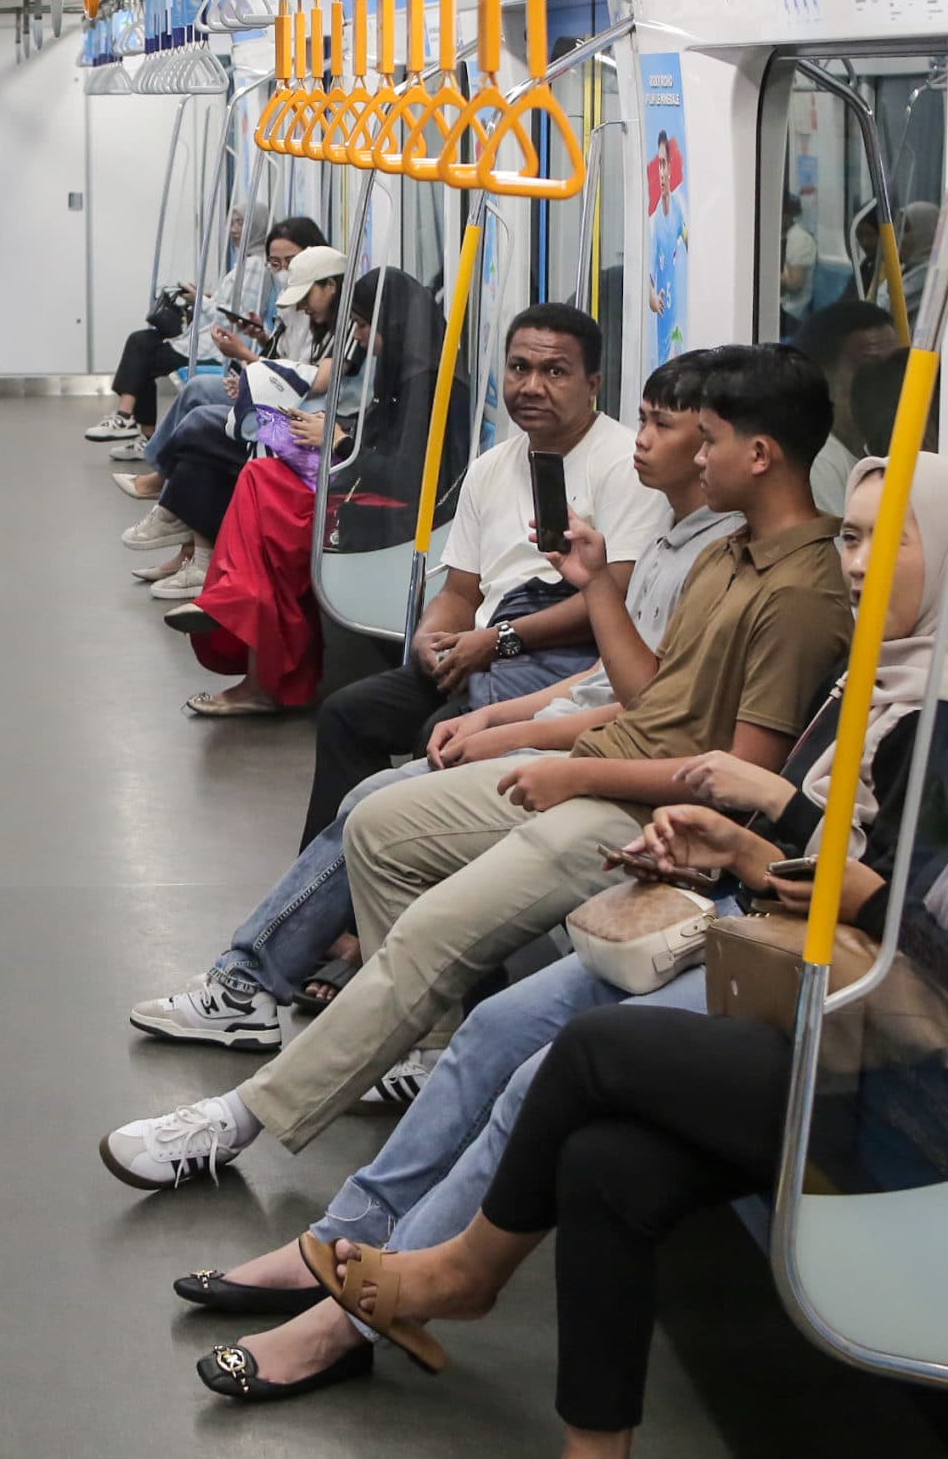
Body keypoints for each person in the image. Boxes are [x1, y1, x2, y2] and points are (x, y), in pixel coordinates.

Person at [270, 524, 948, 1459]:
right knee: (606, 1160)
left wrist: (879, 900)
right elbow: (880, 905)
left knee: (590, 1051)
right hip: (879, 1056)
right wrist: (752, 855)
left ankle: (462, 1271)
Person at [184, 450, 948, 1398]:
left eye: (887, 540)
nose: (857, 563)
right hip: (752, 908)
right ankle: (344, 1240)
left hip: (822, 964)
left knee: (549, 1071)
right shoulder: (864, 667)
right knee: (497, 1025)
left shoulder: (942, 710)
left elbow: (894, 898)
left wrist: (752, 832)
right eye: (853, 536)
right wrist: (720, 842)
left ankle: (358, 1311)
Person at [103, 343, 852, 1187]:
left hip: (641, 817)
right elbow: (652, 699)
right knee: (379, 825)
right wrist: (597, 589)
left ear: (760, 454)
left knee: (432, 931)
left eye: (707, 438)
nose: (697, 455)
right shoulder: (726, 553)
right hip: (608, 766)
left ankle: (245, 1118)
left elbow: (730, 787)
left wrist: (571, 771)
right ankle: (414, 1050)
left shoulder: (800, 594)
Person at [129, 348, 737, 1049]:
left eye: (666, 427)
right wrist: (447, 648)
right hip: (536, 678)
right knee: (356, 718)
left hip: (568, 704)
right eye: (518, 368)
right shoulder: (657, 530)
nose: (642, 440)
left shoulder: (698, 549)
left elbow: (648, 708)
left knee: (381, 798)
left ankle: (328, 994)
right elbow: (485, 605)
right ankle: (319, 978)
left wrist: (503, 707)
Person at [295, 303, 671, 844]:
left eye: (554, 372)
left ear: (592, 383)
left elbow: (616, 593)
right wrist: (429, 639)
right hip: (485, 641)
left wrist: (500, 642)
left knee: (437, 737)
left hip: (562, 657)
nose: (532, 386)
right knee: (348, 713)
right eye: (519, 369)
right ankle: (337, 905)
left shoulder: (621, 464)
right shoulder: (492, 467)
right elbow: (460, 590)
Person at [170, 263, 432, 708]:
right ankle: (240, 618)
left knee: (260, 493)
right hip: (360, 475)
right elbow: (380, 432)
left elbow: (414, 472)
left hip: (390, 505)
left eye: (367, 326)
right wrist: (334, 426)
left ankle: (236, 610)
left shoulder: (426, 382)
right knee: (260, 473)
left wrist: (341, 438)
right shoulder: (398, 369)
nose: (362, 338)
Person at [136, 243, 353, 603]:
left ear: (331, 287)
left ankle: (173, 511)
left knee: (207, 425)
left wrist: (251, 361)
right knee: (211, 426)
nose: (301, 306)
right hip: (298, 415)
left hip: (310, 432)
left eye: (307, 295)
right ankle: (194, 551)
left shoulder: (347, 331)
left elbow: (318, 381)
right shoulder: (318, 325)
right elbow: (295, 372)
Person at [89, 216, 327, 444]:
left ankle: (133, 425)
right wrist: (263, 339)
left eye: (240, 222)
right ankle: (140, 431)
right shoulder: (287, 307)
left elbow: (302, 378)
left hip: (281, 396)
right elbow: (283, 358)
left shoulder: (315, 309)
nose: (233, 228)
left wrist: (201, 302)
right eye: (276, 264)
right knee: (144, 345)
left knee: (147, 352)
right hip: (263, 377)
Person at [796, 299, 902, 514]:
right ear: (821, 376)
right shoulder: (816, 465)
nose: (886, 383)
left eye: (892, 368)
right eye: (869, 370)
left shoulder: (874, 449)